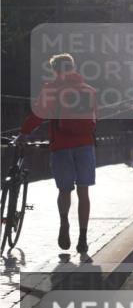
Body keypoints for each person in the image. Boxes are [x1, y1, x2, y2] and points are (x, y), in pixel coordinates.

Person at [17, 53, 98, 255]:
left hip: (61, 145)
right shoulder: (88, 90)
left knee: (64, 190)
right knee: (84, 192)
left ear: (55, 69)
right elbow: (94, 119)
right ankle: (83, 238)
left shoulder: (51, 89)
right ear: (72, 67)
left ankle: (64, 222)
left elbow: (38, 114)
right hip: (85, 145)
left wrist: (24, 132)